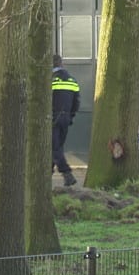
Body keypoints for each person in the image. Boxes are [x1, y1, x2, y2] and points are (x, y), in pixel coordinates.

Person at [51, 54, 81, 186]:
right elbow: (77, 102)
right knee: (56, 147)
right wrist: (70, 117)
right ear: (61, 64)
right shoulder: (72, 81)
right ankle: (45, 175)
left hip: (52, 118)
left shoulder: (50, 81)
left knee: (55, 148)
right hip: (65, 119)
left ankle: (67, 174)